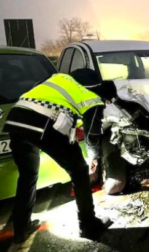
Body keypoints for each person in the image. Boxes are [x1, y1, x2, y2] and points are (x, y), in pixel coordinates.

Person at [3, 68, 117, 243]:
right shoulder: (92, 98)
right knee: (80, 171)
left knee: (27, 176)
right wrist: (94, 158)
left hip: (16, 119)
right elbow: (91, 135)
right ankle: (88, 225)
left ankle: (21, 229)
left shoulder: (58, 78)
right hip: (44, 124)